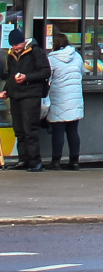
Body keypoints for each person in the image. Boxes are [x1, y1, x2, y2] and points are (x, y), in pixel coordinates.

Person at [0, 29, 51, 171]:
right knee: (19, 129)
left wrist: (26, 77)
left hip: (31, 95)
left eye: (16, 44)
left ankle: (36, 161)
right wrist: (6, 90)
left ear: (23, 41)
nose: (14, 47)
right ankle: (23, 159)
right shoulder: (11, 55)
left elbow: (45, 71)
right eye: (12, 45)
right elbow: (10, 75)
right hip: (16, 95)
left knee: (30, 128)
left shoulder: (36, 52)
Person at [46, 32, 85, 170]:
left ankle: (56, 161)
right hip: (75, 98)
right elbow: (82, 72)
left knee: (58, 131)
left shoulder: (52, 59)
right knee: (73, 131)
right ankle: (74, 161)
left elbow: (47, 78)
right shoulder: (77, 56)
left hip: (58, 97)